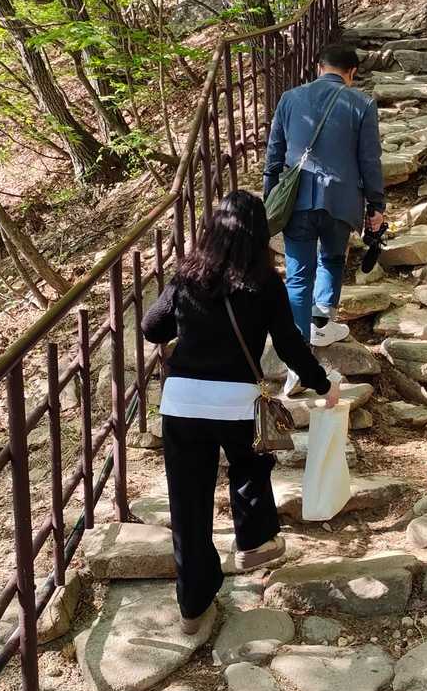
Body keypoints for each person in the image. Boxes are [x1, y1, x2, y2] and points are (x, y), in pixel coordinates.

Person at [142, 191, 340, 634]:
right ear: (259, 234)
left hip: (183, 403)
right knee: (250, 464)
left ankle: (193, 607)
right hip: (236, 404)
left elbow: (151, 327)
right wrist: (323, 384)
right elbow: (289, 345)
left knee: (188, 503)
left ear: (212, 230)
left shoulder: (187, 276)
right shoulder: (265, 283)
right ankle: (252, 541)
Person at [263, 42, 386, 376]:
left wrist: (269, 197)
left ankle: (297, 356)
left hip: (297, 200)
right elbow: (370, 160)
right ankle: (322, 320)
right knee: (332, 259)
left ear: (319, 67)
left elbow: (273, 154)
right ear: (352, 72)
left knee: (298, 275)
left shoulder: (290, 99)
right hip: (340, 200)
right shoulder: (362, 103)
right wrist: (376, 204)